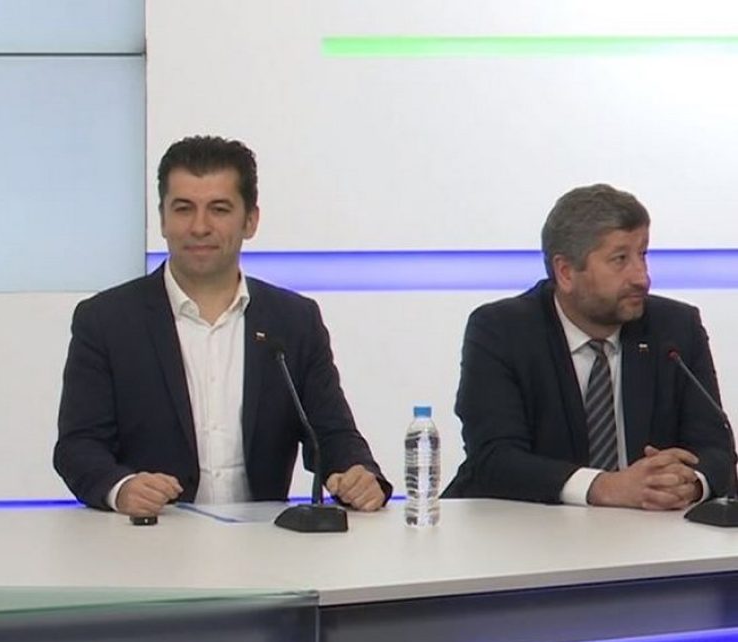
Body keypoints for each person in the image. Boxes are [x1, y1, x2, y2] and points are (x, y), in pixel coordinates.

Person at [54, 136, 390, 516]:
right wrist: (121, 488)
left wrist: (359, 476)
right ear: (162, 219)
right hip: (149, 538)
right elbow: (78, 446)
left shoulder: (294, 321)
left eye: (219, 209)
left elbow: (331, 435)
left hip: (263, 543)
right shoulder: (106, 320)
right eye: (184, 209)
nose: (200, 227)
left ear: (251, 221)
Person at [446, 184, 734, 508]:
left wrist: (688, 485)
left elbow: (717, 446)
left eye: (642, 254)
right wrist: (604, 486)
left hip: (649, 531)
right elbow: (493, 458)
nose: (642, 277)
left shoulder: (675, 328)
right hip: (528, 529)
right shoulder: (502, 331)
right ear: (566, 272)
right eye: (620, 259)